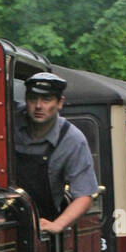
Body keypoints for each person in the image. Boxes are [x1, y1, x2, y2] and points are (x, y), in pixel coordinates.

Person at [13, 72, 99, 233]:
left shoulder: (72, 139)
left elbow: (85, 195)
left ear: (60, 103)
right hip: (5, 218)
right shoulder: (7, 119)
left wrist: (58, 224)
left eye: (46, 100)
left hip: (42, 228)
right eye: (33, 99)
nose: (38, 106)